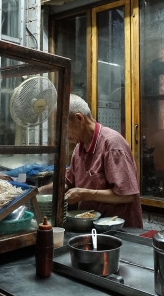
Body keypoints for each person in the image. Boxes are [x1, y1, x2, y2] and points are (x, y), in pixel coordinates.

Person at [44, 94, 143, 227]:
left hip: (118, 230)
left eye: (64, 127)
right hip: (88, 226)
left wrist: (86, 194)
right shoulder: (79, 148)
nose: (63, 134)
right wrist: (36, 192)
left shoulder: (112, 144)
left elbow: (127, 195)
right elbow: (67, 183)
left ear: (79, 118)